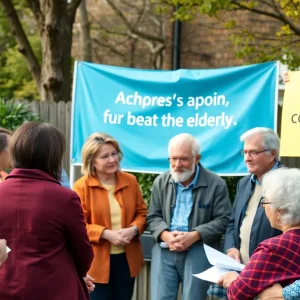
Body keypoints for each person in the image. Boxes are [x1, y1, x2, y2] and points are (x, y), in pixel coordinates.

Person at [0, 122, 94, 300]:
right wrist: (78, 274)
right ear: (54, 155)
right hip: (52, 288)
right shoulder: (64, 198)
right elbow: (83, 255)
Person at [146, 133, 231, 300]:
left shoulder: (216, 183)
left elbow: (224, 220)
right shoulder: (161, 181)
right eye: (173, 159)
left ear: (197, 158)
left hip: (198, 249)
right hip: (165, 249)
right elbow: (153, 217)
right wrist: (165, 235)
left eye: (184, 159)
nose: (177, 165)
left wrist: (195, 235)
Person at [73, 132, 147, 300]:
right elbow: (78, 225)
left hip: (127, 261)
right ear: (92, 162)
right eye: (105, 156)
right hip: (95, 263)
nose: (112, 160)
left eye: (114, 154)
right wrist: (106, 234)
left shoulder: (130, 181)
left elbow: (142, 213)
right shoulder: (81, 187)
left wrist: (134, 230)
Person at [218, 168, 300, 299]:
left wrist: (233, 279)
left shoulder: (271, 249)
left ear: (280, 212)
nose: (263, 206)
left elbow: (237, 293)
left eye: (265, 201)